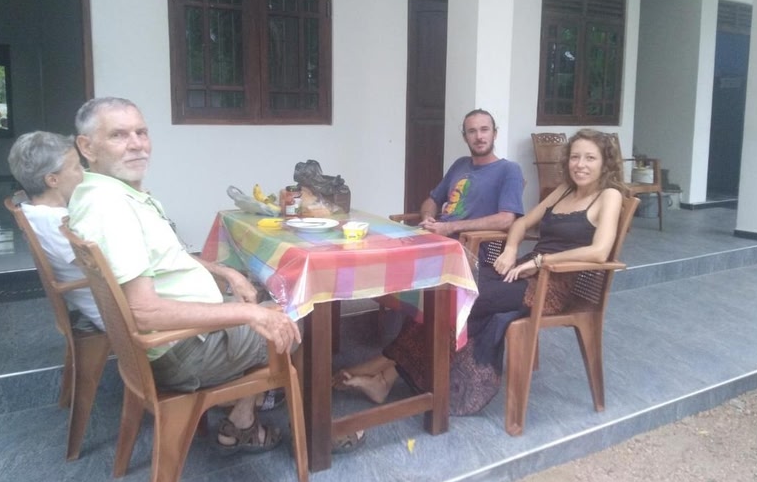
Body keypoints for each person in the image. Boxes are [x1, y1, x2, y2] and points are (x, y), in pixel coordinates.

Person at [67, 97, 306, 454]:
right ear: (87, 147)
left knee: (261, 295)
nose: (136, 144)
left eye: (141, 132)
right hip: (182, 351)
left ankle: (245, 405)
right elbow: (144, 312)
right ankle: (265, 421)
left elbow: (166, 258)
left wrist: (224, 271)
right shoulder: (111, 209)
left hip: (176, 341)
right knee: (297, 314)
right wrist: (248, 313)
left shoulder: (106, 194)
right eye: (118, 135)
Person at [334, 129, 625, 415]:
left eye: (590, 158)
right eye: (575, 157)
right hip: (525, 271)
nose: (580, 165)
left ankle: (382, 368)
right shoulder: (564, 190)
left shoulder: (608, 196)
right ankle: (384, 377)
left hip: (554, 285)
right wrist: (511, 250)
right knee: (448, 287)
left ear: (605, 163)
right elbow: (521, 223)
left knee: (459, 299)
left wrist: (540, 262)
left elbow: (599, 251)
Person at [7, 131, 102, 331]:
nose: (83, 171)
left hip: (105, 303)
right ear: (52, 180)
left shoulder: (33, 210)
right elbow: (102, 268)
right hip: (112, 311)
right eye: (76, 167)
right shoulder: (57, 223)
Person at [416, 108, 525, 239]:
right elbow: (433, 200)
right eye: (472, 131)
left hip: (468, 244)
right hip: (437, 237)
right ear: (465, 137)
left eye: (484, 130)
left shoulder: (509, 169)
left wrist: (450, 227)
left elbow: (506, 219)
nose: (479, 137)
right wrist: (427, 217)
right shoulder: (460, 164)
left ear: (494, 134)